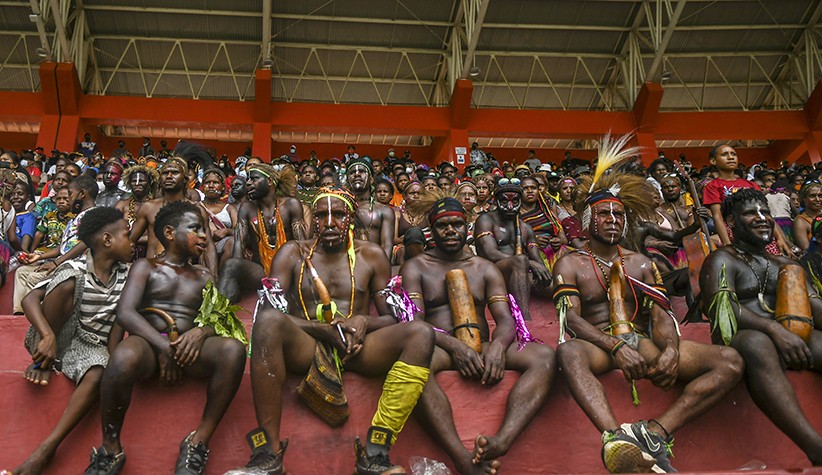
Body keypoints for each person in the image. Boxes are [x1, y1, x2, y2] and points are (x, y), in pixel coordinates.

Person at [554, 136, 744, 473]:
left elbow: (660, 313)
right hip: (598, 343)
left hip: (644, 341)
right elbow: (572, 319)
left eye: (617, 214)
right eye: (604, 214)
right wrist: (614, 347)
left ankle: (655, 433)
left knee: (729, 361)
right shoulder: (569, 263)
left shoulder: (642, 262)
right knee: (568, 353)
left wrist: (670, 349)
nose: (612, 219)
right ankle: (615, 439)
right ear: (587, 221)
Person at [226, 187, 434, 475]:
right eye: (322, 215)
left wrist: (364, 322)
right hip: (308, 344)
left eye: (338, 215)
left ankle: (375, 453)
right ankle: (268, 455)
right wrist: (321, 330)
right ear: (314, 221)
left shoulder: (371, 255)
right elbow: (269, 313)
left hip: (356, 348)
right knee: (269, 323)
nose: (330, 222)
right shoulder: (292, 253)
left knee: (421, 334)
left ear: (350, 218)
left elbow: (392, 319)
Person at [84, 201, 247, 475]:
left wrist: (201, 331)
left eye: (205, 229)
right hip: (149, 344)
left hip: (189, 350)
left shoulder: (205, 276)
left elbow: (218, 319)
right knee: (123, 356)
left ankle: (198, 442)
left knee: (233, 350)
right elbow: (125, 312)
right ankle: (110, 448)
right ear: (170, 233)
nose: (205, 236)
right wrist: (163, 346)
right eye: (196, 228)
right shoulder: (145, 267)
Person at [400, 196, 555, 475]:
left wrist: (496, 346)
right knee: (413, 369)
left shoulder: (484, 267)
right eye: (443, 225)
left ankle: (501, 441)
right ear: (432, 231)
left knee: (544, 357)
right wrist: (454, 347)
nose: (450, 230)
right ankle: (460, 457)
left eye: (457, 224)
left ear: (466, 228)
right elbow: (415, 323)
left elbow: (506, 319)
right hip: (439, 345)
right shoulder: (416, 266)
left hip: (482, 344)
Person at [7, 208, 133, 475]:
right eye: (127, 235)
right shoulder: (75, 267)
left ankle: (48, 448)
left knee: (100, 371)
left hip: (91, 346)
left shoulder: (127, 274)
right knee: (67, 282)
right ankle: (43, 361)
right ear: (107, 241)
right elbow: (30, 299)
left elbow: (117, 327)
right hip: (57, 334)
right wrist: (48, 335)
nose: (133, 241)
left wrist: (114, 365)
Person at [701, 188, 822, 467]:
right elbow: (724, 309)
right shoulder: (722, 259)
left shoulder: (784, 263)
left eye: (765, 212)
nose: (761, 218)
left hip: (792, 337)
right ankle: (816, 448)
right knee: (757, 343)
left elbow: (814, 308)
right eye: (750, 214)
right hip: (743, 339)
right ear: (730, 222)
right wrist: (774, 330)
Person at [218, 162, 305, 302]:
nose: (248, 183)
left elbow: (302, 245)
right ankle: (217, 315)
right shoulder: (247, 208)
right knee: (232, 265)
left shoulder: (291, 205)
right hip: (260, 272)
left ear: (269, 181)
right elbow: (239, 243)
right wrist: (239, 270)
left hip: (287, 271)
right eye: (248, 179)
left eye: (254, 179)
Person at [128, 144, 218, 274]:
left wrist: (213, 276)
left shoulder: (196, 210)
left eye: (174, 172)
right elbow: (130, 242)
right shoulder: (149, 207)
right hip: (152, 272)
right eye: (165, 173)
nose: (169, 176)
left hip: (183, 275)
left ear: (185, 179)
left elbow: (208, 246)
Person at [474, 179, 551, 320]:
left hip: (520, 274)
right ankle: (524, 320)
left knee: (557, 284)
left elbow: (538, 262)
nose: (510, 206)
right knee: (520, 260)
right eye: (504, 202)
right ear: (496, 201)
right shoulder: (486, 220)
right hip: (492, 273)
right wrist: (528, 263)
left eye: (515, 202)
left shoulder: (525, 227)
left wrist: (544, 274)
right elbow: (490, 253)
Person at [12, 188, 74, 314]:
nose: (61, 202)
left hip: (62, 258)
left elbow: (64, 249)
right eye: (59, 199)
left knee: (32, 277)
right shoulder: (50, 215)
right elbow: (39, 234)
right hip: (46, 252)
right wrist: (32, 252)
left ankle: (35, 313)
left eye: (66, 199)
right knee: (21, 271)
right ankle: (18, 312)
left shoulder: (74, 219)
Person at [346, 158, 395, 259]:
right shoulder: (341, 208)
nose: (357, 174)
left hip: (374, 263)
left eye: (362, 171)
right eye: (352, 173)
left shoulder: (384, 210)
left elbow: (386, 245)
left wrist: (381, 271)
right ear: (347, 180)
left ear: (371, 179)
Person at [794, 180, 822, 251]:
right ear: (804, 199)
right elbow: (807, 249)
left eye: (820, 196)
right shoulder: (800, 221)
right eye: (812, 196)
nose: (818, 199)